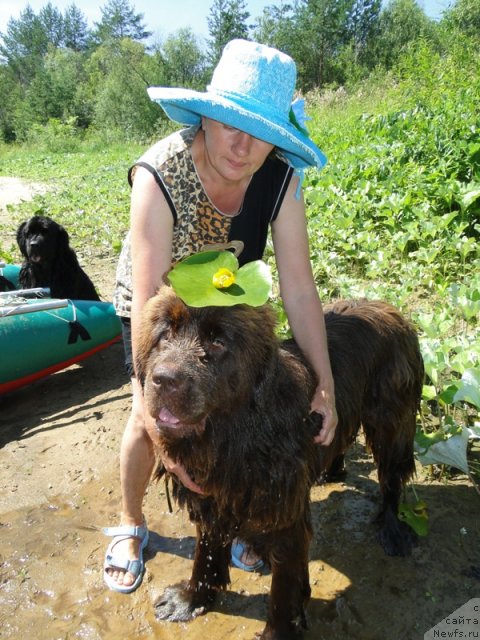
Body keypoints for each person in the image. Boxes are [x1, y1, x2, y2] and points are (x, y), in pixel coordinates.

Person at [103, 38, 338, 593]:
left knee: (227, 408)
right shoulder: (159, 172)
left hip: (227, 301)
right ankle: (131, 523)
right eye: (231, 122)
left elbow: (300, 290)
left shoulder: (279, 178)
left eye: (260, 131)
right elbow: (149, 296)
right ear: (205, 117)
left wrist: (325, 382)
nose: (242, 144)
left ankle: (228, 511)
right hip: (160, 308)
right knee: (151, 416)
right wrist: (158, 423)